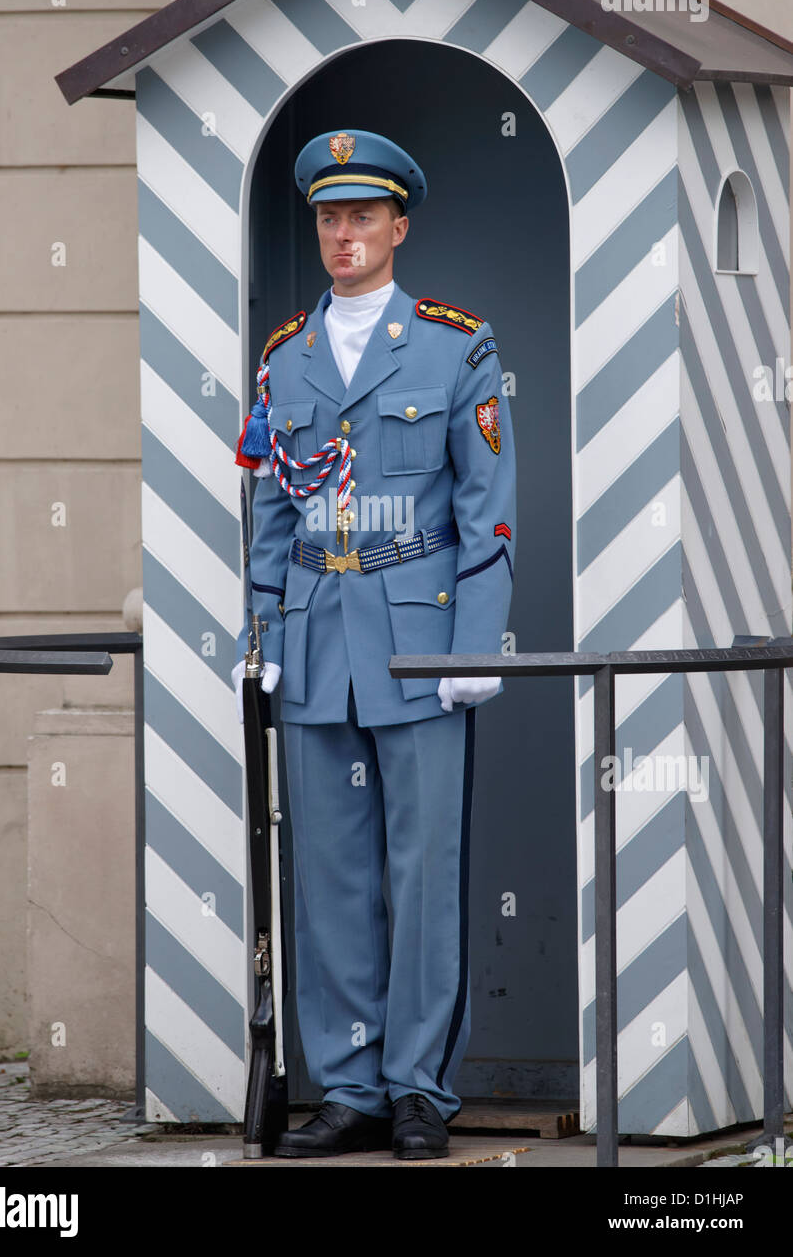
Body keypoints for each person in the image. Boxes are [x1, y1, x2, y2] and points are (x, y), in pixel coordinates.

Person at [232, 128, 516, 1160]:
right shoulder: (284, 357)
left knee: (423, 870)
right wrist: (259, 631)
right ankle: (347, 1086)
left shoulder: (454, 343)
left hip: (418, 641)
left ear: (398, 225)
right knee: (332, 877)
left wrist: (473, 645)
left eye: (361, 216)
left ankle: (416, 1092)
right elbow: (271, 509)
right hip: (313, 641)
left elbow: (487, 510)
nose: (341, 234)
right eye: (326, 217)